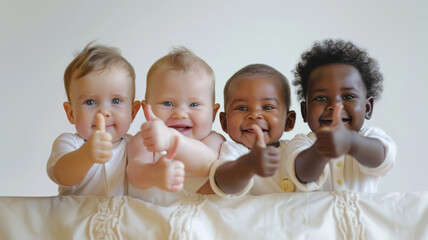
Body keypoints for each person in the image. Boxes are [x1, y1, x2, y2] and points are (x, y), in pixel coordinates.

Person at [286, 39, 397, 192]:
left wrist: (352, 143)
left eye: (349, 96)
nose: (335, 105)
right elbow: (302, 174)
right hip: (317, 217)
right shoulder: (302, 143)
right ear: (305, 111)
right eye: (321, 98)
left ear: (367, 108)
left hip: (360, 217)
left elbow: (382, 158)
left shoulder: (370, 138)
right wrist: (321, 150)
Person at [127, 47, 225, 204]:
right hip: (153, 215)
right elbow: (134, 173)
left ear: (213, 114)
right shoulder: (144, 140)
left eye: (194, 104)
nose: (180, 113)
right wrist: (153, 173)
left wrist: (171, 140)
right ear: (147, 110)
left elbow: (207, 164)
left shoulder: (213, 140)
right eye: (167, 103)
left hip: (200, 216)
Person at [46, 43, 141, 196]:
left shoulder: (135, 147)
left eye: (116, 101)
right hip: (77, 219)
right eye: (90, 102)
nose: (104, 112)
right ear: (71, 113)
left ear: (133, 112)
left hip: (121, 219)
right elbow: (63, 176)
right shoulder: (69, 143)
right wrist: (86, 154)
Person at [209, 64, 297, 197]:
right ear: (224, 122)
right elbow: (224, 183)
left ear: (288, 121)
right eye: (242, 108)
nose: (255, 114)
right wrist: (248, 164)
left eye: (268, 107)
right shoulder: (234, 151)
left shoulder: (293, 149)